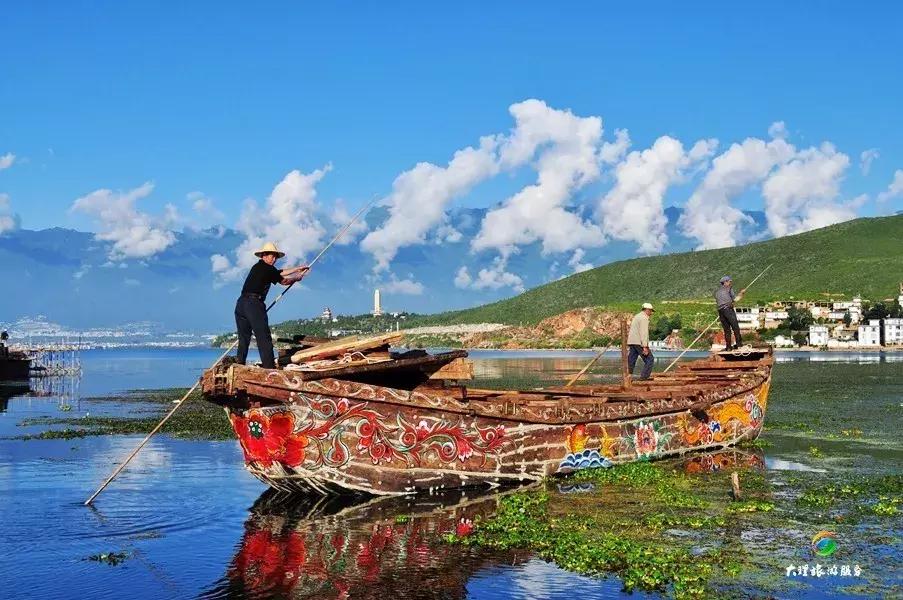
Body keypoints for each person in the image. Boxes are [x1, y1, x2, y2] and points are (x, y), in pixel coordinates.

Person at [235, 242, 309, 369]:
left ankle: (239, 364)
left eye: (275, 256)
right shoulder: (268, 269)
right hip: (253, 304)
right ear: (264, 256)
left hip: (241, 304)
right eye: (271, 256)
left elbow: (278, 272)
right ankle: (269, 368)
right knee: (264, 338)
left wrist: (297, 268)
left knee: (244, 338)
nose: (274, 259)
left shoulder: (258, 267)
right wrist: (297, 278)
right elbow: (284, 281)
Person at [714, 275, 745, 351]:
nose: (730, 283)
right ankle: (739, 345)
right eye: (729, 281)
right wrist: (742, 293)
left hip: (721, 312)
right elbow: (735, 299)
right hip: (728, 310)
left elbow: (721, 302)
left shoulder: (717, 292)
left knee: (727, 330)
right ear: (725, 282)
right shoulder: (729, 289)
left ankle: (728, 347)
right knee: (735, 327)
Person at [627, 302, 655, 380]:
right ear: (647, 310)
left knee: (631, 359)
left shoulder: (637, 316)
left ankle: (628, 376)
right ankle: (644, 378)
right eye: (651, 311)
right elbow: (644, 333)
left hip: (632, 341)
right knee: (650, 359)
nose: (651, 313)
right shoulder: (644, 318)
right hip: (639, 342)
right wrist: (645, 346)